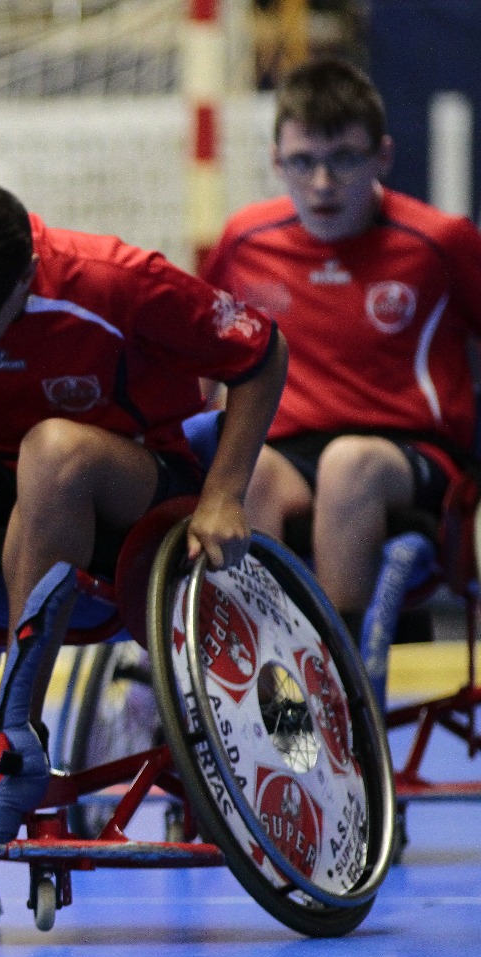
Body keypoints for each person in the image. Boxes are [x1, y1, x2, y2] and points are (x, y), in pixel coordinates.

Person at [0, 170, 287, 815]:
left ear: (24, 279)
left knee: (54, 447)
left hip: (132, 484)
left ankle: (18, 719)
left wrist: (225, 492)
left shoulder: (119, 280)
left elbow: (262, 352)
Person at [203, 57, 481, 625]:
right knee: (243, 472)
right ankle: (256, 672)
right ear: (277, 162)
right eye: (303, 162)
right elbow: (200, 354)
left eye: (344, 160)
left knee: (348, 464)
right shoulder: (245, 240)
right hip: (287, 453)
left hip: (411, 458)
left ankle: (338, 678)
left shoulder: (440, 243)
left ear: (383, 155)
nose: (323, 183)